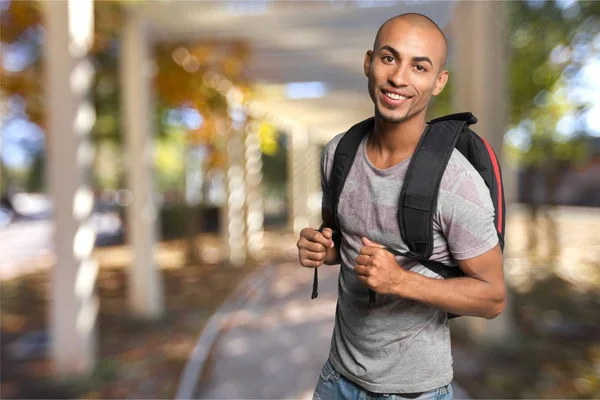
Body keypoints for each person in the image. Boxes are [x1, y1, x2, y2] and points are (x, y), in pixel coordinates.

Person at [296, 13, 506, 400]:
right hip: (336, 378)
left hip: (413, 392)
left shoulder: (456, 183)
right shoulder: (338, 153)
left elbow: (493, 298)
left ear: (438, 81)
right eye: (389, 58)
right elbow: (347, 243)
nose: (399, 78)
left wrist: (400, 281)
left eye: (419, 66)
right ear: (368, 62)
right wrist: (324, 249)